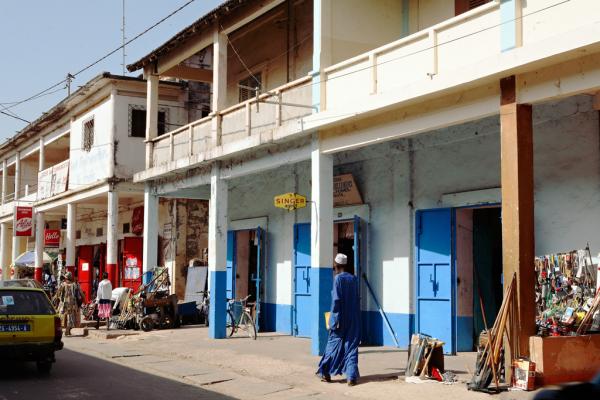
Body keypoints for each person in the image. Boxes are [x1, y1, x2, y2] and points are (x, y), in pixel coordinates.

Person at [317, 253, 361, 386]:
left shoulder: (338, 279)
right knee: (351, 346)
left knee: (332, 346)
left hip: (340, 318)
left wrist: (333, 320)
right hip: (353, 318)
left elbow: (336, 301)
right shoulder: (353, 279)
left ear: (336, 265)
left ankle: (325, 373)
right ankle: (351, 377)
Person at [56, 272, 84, 336]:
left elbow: (58, 294)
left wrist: (57, 300)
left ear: (66, 278)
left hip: (64, 303)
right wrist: (83, 300)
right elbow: (81, 293)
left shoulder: (62, 284)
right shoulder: (75, 284)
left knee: (64, 316)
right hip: (72, 304)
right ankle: (68, 329)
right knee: (71, 316)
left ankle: (66, 329)